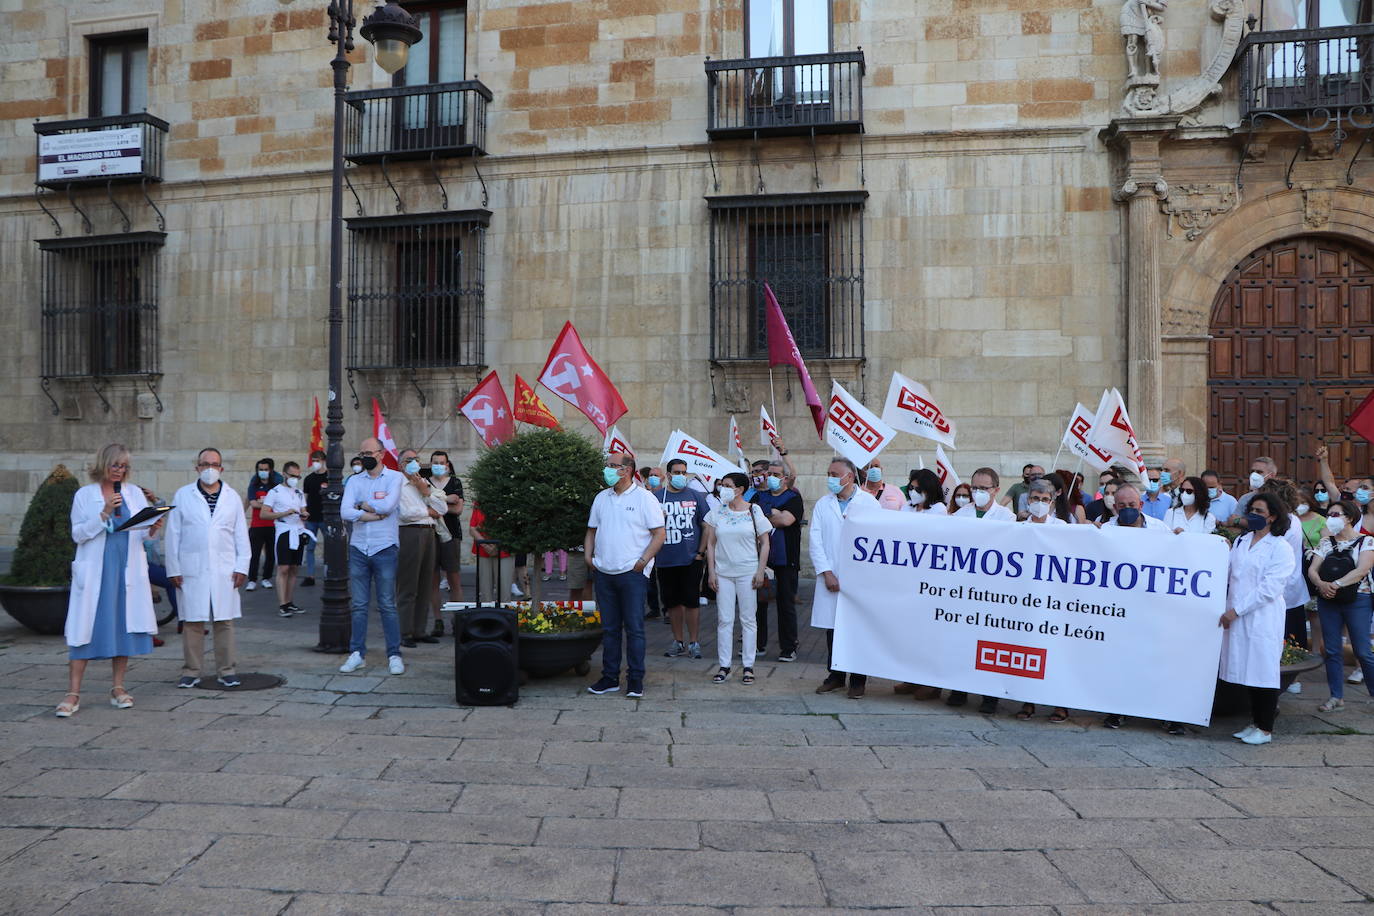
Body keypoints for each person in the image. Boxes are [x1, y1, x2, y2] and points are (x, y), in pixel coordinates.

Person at [57, 444, 158, 716]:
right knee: (84, 630)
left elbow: (141, 535)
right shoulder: (84, 495)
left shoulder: (134, 493)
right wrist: (102, 513)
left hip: (126, 569)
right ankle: (73, 692)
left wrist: (153, 527)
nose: (120, 471)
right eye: (115, 465)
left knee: (122, 627)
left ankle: (118, 687)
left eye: (124, 466)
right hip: (96, 571)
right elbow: (78, 534)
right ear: (104, 464)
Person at [165, 447, 250, 689]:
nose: (209, 469)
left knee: (224, 621)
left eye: (214, 464)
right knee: (193, 621)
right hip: (192, 567)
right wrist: (173, 568)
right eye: (205, 464)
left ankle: (227, 669)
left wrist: (242, 566)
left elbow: (241, 536)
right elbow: (173, 534)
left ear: (221, 469)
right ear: (197, 467)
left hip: (225, 569)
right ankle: (191, 671)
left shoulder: (232, 497)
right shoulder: (183, 495)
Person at [586, 451, 666, 699]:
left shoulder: (644, 499)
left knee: (634, 629)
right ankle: (609, 678)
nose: (607, 470)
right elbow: (591, 530)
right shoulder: (601, 498)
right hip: (604, 572)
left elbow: (659, 533)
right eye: (607, 465)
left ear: (627, 470)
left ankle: (635, 679)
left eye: (612, 466)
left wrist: (643, 562)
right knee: (609, 629)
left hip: (632, 574)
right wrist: (590, 558)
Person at [1221, 492, 1297, 745]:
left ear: (1273, 517)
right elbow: (1230, 572)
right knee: (1247, 671)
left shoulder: (1280, 547)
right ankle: (1254, 721)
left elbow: (1269, 588)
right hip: (1238, 614)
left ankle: (1265, 728)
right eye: (1251, 510)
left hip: (1261, 617)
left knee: (1263, 672)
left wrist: (1237, 610)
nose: (1253, 515)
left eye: (1259, 512)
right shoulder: (1243, 541)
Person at [811, 457, 881, 699]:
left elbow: (876, 542)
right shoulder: (823, 504)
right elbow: (815, 541)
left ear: (849, 477)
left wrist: (863, 576)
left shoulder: (869, 503)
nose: (830, 477)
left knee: (857, 628)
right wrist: (826, 572)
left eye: (834, 473)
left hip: (859, 579)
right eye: (828, 473)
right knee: (833, 629)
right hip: (830, 576)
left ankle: (858, 679)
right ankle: (836, 675)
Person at [339, 437, 406, 676]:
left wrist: (363, 505)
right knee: (358, 605)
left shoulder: (395, 477)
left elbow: (388, 506)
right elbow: (344, 511)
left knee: (387, 604)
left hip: (384, 547)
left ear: (380, 454)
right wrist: (370, 515)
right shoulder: (354, 481)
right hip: (358, 547)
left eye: (368, 452)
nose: (364, 456)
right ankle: (357, 653)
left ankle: (394, 654)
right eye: (361, 452)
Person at [704, 471, 771, 684]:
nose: (722, 488)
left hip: (747, 572)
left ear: (740, 489)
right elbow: (710, 544)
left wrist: (760, 570)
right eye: (721, 484)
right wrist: (712, 572)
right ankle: (724, 665)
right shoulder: (717, 512)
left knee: (748, 619)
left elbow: (765, 543)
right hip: (723, 574)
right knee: (724, 620)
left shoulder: (754, 510)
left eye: (727, 485)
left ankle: (748, 666)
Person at [1011, 479, 1070, 722]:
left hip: (1055, 600)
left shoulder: (1063, 527)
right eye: (1035, 499)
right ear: (1028, 499)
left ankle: (1060, 704)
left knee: (1057, 652)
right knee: (1029, 650)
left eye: (1045, 500)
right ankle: (1029, 701)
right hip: (1026, 598)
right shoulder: (1017, 527)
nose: (1040, 504)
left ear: (1052, 502)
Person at [1308, 500, 1374, 711]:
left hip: (1359, 601)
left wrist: (1334, 585)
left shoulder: (1367, 542)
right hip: (1329, 601)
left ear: (1350, 518)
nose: (1331, 518)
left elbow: (1362, 570)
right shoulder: (1326, 542)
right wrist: (1320, 584)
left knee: (1363, 651)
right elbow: (1313, 569)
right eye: (1329, 514)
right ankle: (1336, 696)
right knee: (1332, 650)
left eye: (1335, 514)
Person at [751, 458, 805, 661]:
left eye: (776, 474)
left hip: (785, 559)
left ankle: (788, 647)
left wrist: (767, 515)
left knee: (785, 604)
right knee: (758, 603)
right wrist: (773, 513)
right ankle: (758, 644)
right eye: (769, 474)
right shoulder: (758, 496)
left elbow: (785, 520)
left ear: (785, 478)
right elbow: (750, 519)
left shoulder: (793, 498)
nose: (771, 478)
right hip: (760, 559)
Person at [656, 459, 710, 659]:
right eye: (677, 472)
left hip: (690, 560)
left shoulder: (695, 496)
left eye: (684, 472)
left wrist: (700, 553)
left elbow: (706, 526)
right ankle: (678, 641)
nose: (681, 476)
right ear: (668, 474)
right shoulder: (656, 497)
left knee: (691, 601)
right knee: (672, 603)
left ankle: (694, 642)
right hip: (665, 559)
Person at [395, 447, 446, 647]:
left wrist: (425, 492)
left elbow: (441, 509)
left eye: (416, 459)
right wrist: (427, 510)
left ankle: (419, 629)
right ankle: (404, 631)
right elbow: (405, 513)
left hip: (429, 532)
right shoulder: (398, 484)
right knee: (408, 584)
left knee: (426, 583)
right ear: (400, 465)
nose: (414, 462)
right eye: (409, 459)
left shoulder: (423, 483)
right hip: (410, 532)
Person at [260, 460, 310, 617]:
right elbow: (264, 513)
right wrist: (283, 513)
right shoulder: (274, 492)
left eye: (297, 476)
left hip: (298, 530)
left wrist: (304, 514)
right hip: (284, 532)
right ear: (284, 475)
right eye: (292, 475)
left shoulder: (299, 492)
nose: (295, 479)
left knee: (294, 568)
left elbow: (303, 509)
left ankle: (289, 601)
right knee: (283, 568)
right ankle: (282, 604)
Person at [429, 450, 464, 635]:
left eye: (441, 462)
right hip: (430, 534)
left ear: (447, 465)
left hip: (451, 535)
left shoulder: (455, 482)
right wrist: (446, 501)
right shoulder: (425, 483)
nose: (438, 465)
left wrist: (436, 503)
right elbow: (423, 507)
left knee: (454, 579)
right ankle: (438, 620)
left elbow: (458, 509)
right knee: (433, 580)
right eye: (435, 462)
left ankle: (457, 619)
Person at [244, 458, 281, 590]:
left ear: (270, 470)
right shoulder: (254, 485)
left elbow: (278, 504)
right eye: (260, 469)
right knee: (254, 554)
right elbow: (253, 503)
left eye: (265, 469)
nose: (263, 472)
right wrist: (267, 505)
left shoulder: (275, 486)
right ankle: (252, 579)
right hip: (257, 525)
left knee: (271, 554)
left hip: (272, 525)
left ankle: (266, 578)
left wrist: (263, 503)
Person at [470, 503, 513, 604]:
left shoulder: (510, 501)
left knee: (504, 593)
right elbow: (472, 528)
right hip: (483, 550)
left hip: (504, 550)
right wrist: (486, 545)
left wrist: (496, 546)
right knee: (485, 594)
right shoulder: (479, 503)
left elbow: (512, 528)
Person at [300, 449, 327, 587]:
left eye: (318, 461)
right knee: (309, 548)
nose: (315, 463)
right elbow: (304, 499)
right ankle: (310, 576)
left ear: (323, 461)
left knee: (329, 548)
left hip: (326, 518)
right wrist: (303, 512)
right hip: (311, 519)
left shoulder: (330, 477)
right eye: (314, 461)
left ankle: (328, 575)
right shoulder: (309, 479)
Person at [1107, 484, 1171, 533]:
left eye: (1132, 505)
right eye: (1122, 505)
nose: (1127, 508)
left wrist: (1179, 535)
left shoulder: (1159, 528)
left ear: (1141, 505)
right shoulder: (1106, 529)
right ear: (1115, 507)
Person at [1233, 456, 1278, 521]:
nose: (1254, 475)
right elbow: (1235, 520)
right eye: (1252, 471)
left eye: (1259, 472)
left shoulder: (1281, 497)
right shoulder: (1245, 498)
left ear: (1271, 476)